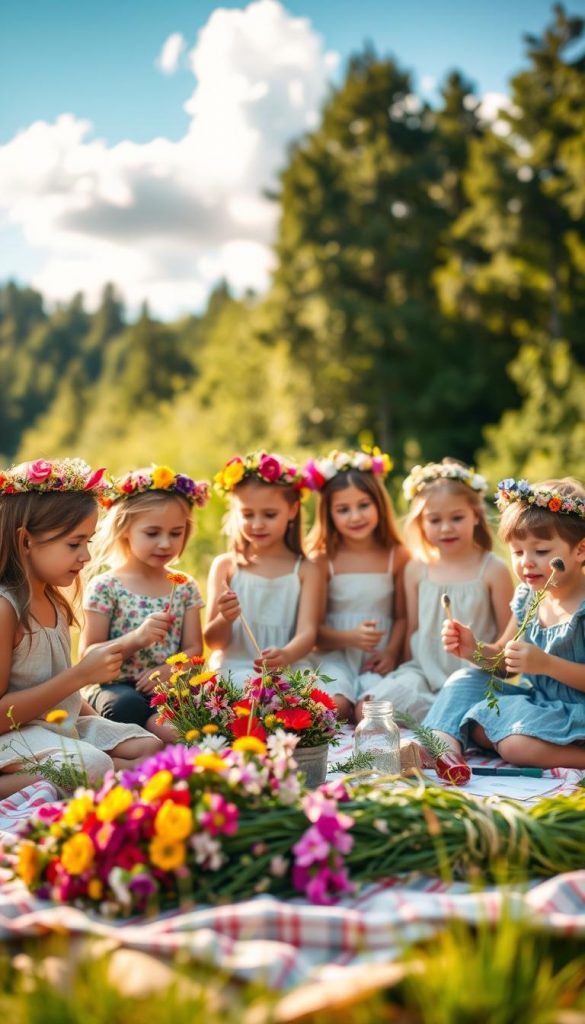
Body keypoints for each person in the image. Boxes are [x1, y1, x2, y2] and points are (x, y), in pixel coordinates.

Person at [0, 458, 162, 798]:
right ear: (26, 541)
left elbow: (64, 692)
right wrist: (81, 676)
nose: (86, 556)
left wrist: (110, 729)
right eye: (74, 544)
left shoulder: (55, 601)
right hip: (11, 737)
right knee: (92, 766)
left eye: (87, 541)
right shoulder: (6, 608)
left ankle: (110, 779)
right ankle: (111, 779)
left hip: (56, 727)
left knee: (148, 744)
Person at [424, 477, 585, 769]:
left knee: (514, 744)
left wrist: (547, 664)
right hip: (543, 706)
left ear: (581, 550)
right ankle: (442, 750)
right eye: (518, 552)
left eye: (541, 551)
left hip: (579, 714)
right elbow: (503, 664)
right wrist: (473, 649)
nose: (526, 562)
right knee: (464, 682)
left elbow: (545, 666)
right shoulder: (529, 597)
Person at [375, 459, 514, 722]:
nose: (446, 527)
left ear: (475, 515)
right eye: (434, 520)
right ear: (421, 523)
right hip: (423, 673)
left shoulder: (493, 570)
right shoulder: (416, 569)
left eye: (457, 517)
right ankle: (446, 719)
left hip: (472, 675)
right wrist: (403, 672)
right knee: (371, 707)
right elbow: (413, 632)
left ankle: (451, 718)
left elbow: (506, 652)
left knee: (475, 712)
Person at [80, 465, 209, 742]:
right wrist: (137, 638)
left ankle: (168, 751)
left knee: (200, 706)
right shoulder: (106, 586)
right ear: (125, 529)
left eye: (175, 533)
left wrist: (171, 671)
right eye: (152, 533)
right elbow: (89, 653)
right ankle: (142, 748)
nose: (165, 543)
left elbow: (194, 648)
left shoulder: (183, 586)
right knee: (125, 707)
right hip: (117, 686)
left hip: (169, 684)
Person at [303, 448, 409, 722]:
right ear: (328, 514)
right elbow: (312, 631)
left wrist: (391, 652)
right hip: (334, 656)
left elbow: (401, 616)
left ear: (379, 505)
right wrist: (350, 637)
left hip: (377, 658)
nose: (355, 516)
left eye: (363, 505)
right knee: (335, 708)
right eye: (343, 509)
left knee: (371, 712)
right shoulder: (323, 559)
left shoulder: (396, 555)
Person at [205, 452, 322, 685]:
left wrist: (287, 654)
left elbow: (307, 634)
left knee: (309, 701)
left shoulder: (306, 570)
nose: (257, 524)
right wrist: (224, 618)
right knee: (239, 700)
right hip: (234, 667)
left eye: (269, 515)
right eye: (247, 514)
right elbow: (213, 641)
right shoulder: (226, 566)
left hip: (288, 667)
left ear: (292, 510)